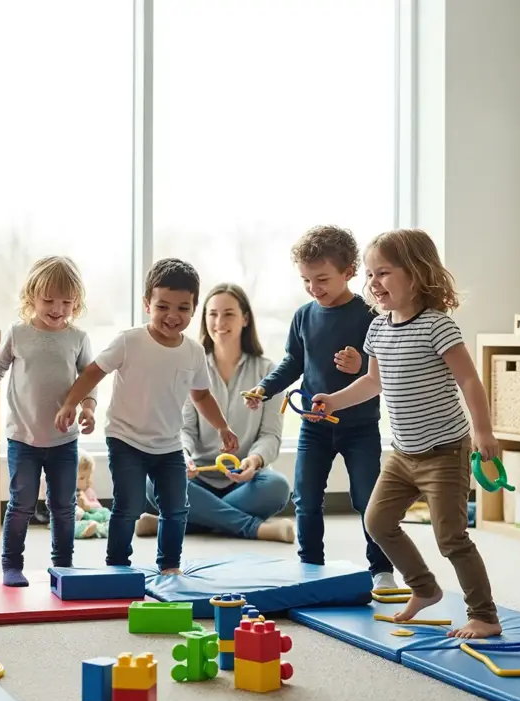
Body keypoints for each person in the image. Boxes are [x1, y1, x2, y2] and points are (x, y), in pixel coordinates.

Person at [311, 228, 501, 639]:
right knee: (377, 522)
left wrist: (483, 432)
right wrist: (333, 400)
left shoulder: (437, 327)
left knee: (450, 536)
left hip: (444, 450)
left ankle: (484, 614)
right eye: (370, 275)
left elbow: (469, 381)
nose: (373, 284)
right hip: (402, 453)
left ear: (415, 275)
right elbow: (372, 382)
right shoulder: (377, 328)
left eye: (383, 273)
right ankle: (425, 588)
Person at [54, 258, 239, 575]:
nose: (172, 316)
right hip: (126, 438)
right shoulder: (130, 341)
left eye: (183, 308)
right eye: (163, 306)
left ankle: (169, 565)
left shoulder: (193, 351)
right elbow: (94, 371)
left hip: (168, 444)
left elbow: (202, 395)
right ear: (146, 304)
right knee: (129, 505)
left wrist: (222, 427)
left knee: (177, 508)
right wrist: (71, 402)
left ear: (194, 309)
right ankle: (118, 564)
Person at [245, 226, 395, 589]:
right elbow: (293, 362)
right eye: (306, 280)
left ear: (348, 272)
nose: (314, 288)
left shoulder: (370, 315)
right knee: (306, 498)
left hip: (359, 425)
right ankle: (310, 566)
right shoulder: (303, 316)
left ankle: (382, 569)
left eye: (322, 279)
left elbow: (382, 369)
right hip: (314, 425)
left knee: (367, 498)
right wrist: (265, 388)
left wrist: (359, 363)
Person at [0, 256, 96, 588]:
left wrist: (88, 409)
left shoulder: (77, 337)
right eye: (48, 300)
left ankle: (63, 565)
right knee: (20, 504)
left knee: (64, 506)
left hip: (64, 441)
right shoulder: (19, 334)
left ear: (76, 302)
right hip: (23, 438)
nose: (57, 308)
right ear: (31, 296)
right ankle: (11, 564)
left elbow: (88, 379)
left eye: (67, 301)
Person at [135, 283, 294, 542]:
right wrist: (183, 456)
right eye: (213, 314)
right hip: (198, 477)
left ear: (245, 319)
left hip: (245, 480)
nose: (220, 321)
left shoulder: (269, 372)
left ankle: (180, 521)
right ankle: (255, 528)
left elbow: (270, 436)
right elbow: (184, 430)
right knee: (156, 481)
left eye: (228, 314)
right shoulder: (191, 366)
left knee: (277, 487)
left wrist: (254, 461)